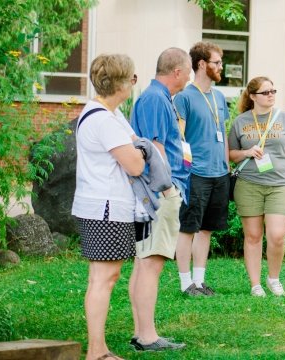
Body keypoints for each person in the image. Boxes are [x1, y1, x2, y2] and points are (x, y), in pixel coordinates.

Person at [73, 53, 143, 360]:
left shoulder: (105, 113)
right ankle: (97, 352)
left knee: (103, 277)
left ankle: (97, 350)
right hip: (106, 206)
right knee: (104, 278)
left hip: (100, 204)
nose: (134, 83)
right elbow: (136, 165)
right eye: (132, 78)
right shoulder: (104, 119)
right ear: (122, 83)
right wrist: (141, 155)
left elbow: (133, 140)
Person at [128, 47, 192, 351]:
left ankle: (141, 333)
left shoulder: (159, 98)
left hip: (156, 193)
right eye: (189, 70)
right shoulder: (155, 98)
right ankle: (148, 336)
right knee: (151, 263)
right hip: (159, 194)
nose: (191, 76)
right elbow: (155, 149)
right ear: (177, 72)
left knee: (144, 263)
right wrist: (168, 190)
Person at [228, 77, 285, 297]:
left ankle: (273, 279)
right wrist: (247, 152)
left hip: (279, 184)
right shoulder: (240, 121)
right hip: (249, 184)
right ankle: (255, 284)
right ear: (252, 96)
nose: (271, 95)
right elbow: (231, 155)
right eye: (265, 92)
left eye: (273, 91)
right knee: (252, 235)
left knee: (277, 235)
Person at [173, 41, 230, 297]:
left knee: (206, 229)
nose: (221, 66)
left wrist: (227, 166)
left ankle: (199, 281)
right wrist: (184, 171)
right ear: (202, 64)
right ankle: (185, 284)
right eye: (217, 62)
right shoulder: (184, 97)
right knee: (188, 228)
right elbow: (180, 137)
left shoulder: (219, 97)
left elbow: (224, 135)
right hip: (195, 173)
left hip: (219, 173)